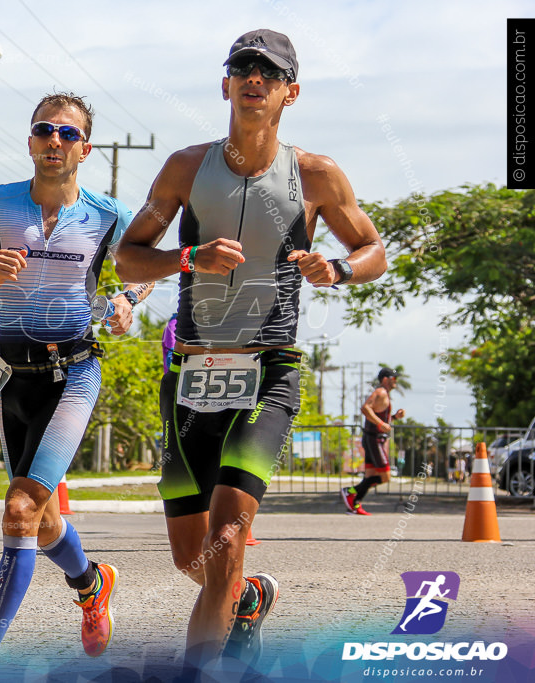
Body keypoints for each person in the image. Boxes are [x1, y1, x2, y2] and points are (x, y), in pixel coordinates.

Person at [115, 29, 387, 672]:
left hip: (269, 369)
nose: (254, 77)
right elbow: (128, 259)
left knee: (228, 534)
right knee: (195, 559)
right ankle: (245, 600)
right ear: (226, 84)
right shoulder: (185, 167)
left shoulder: (316, 176)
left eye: (269, 70)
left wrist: (339, 271)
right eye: (242, 67)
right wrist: (188, 257)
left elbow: (372, 250)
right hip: (191, 370)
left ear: (291, 91)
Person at [0, 92, 154, 681]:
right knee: (43, 518)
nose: (54, 141)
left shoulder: (109, 214)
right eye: (43, 130)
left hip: (75, 372)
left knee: (20, 507)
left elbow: (145, 272)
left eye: (67, 133)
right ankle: (91, 582)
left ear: (85, 147)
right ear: (31, 140)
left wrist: (127, 301)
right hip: (13, 378)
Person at [341, 367, 405, 515]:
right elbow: (365, 408)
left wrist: (394, 417)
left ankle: (354, 504)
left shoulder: (385, 394)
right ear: (385, 379)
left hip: (374, 439)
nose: (396, 381)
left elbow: (380, 417)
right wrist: (381, 424)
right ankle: (349, 491)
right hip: (374, 440)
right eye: (394, 378)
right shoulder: (380, 392)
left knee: (369, 477)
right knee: (385, 476)